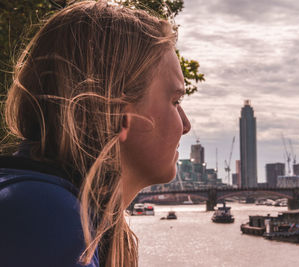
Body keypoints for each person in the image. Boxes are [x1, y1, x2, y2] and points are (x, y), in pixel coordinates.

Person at [0, 1, 190, 266]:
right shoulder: (50, 220)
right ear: (119, 114)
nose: (186, 124)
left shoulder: (42, 203)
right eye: (176, 101)